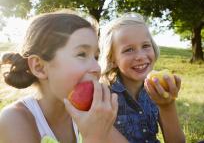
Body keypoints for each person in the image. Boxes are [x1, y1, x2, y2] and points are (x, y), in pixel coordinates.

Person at [0, 11, 128, 143]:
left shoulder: (88, 115)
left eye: (96, 57)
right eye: (82, 54)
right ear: (39, 67)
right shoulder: (14, 119)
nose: (97, 68)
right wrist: (94, 137)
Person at [99, 13, 186, 143]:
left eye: (145, 46)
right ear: (112, 59)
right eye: (128, 50)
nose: (140, 56)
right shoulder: (104, 96)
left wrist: (168, 105)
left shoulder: (157, 89)